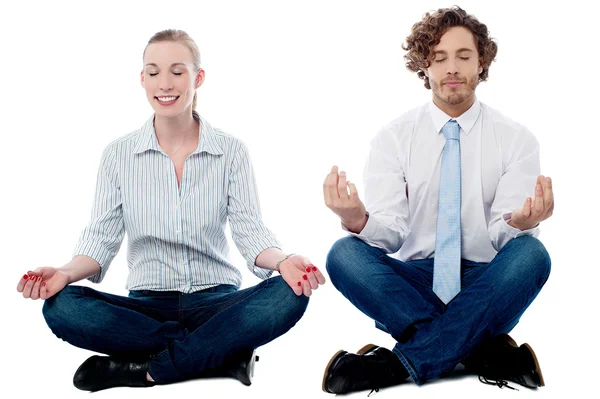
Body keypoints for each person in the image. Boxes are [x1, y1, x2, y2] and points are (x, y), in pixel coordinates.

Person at [16, 29, 326, 392]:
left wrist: (285, 260)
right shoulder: (118, 155)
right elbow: (101, 239)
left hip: (217, 301)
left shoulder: (231, 151)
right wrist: (64, 273)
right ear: (142, 79)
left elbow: (250, 232)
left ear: (198, 78)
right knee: (61, 306)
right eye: (154, 71)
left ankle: (147, 370)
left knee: (291, 293)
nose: (165, 83)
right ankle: (218, 351)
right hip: (147, 306)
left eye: (177, 72)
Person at [322, 6, 553, 394]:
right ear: (423, 67)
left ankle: (395, 365)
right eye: (439, 58)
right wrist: (358, 219)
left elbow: (503, 235)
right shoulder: (392, 138)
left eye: (464, 56)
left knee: (532, 255)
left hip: (485, 280)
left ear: (482, 63)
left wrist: (522, 223)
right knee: (343, 253)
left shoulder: (517, 139)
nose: (452, 68)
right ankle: (479, 350)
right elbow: (390, 235)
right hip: (413, 284)